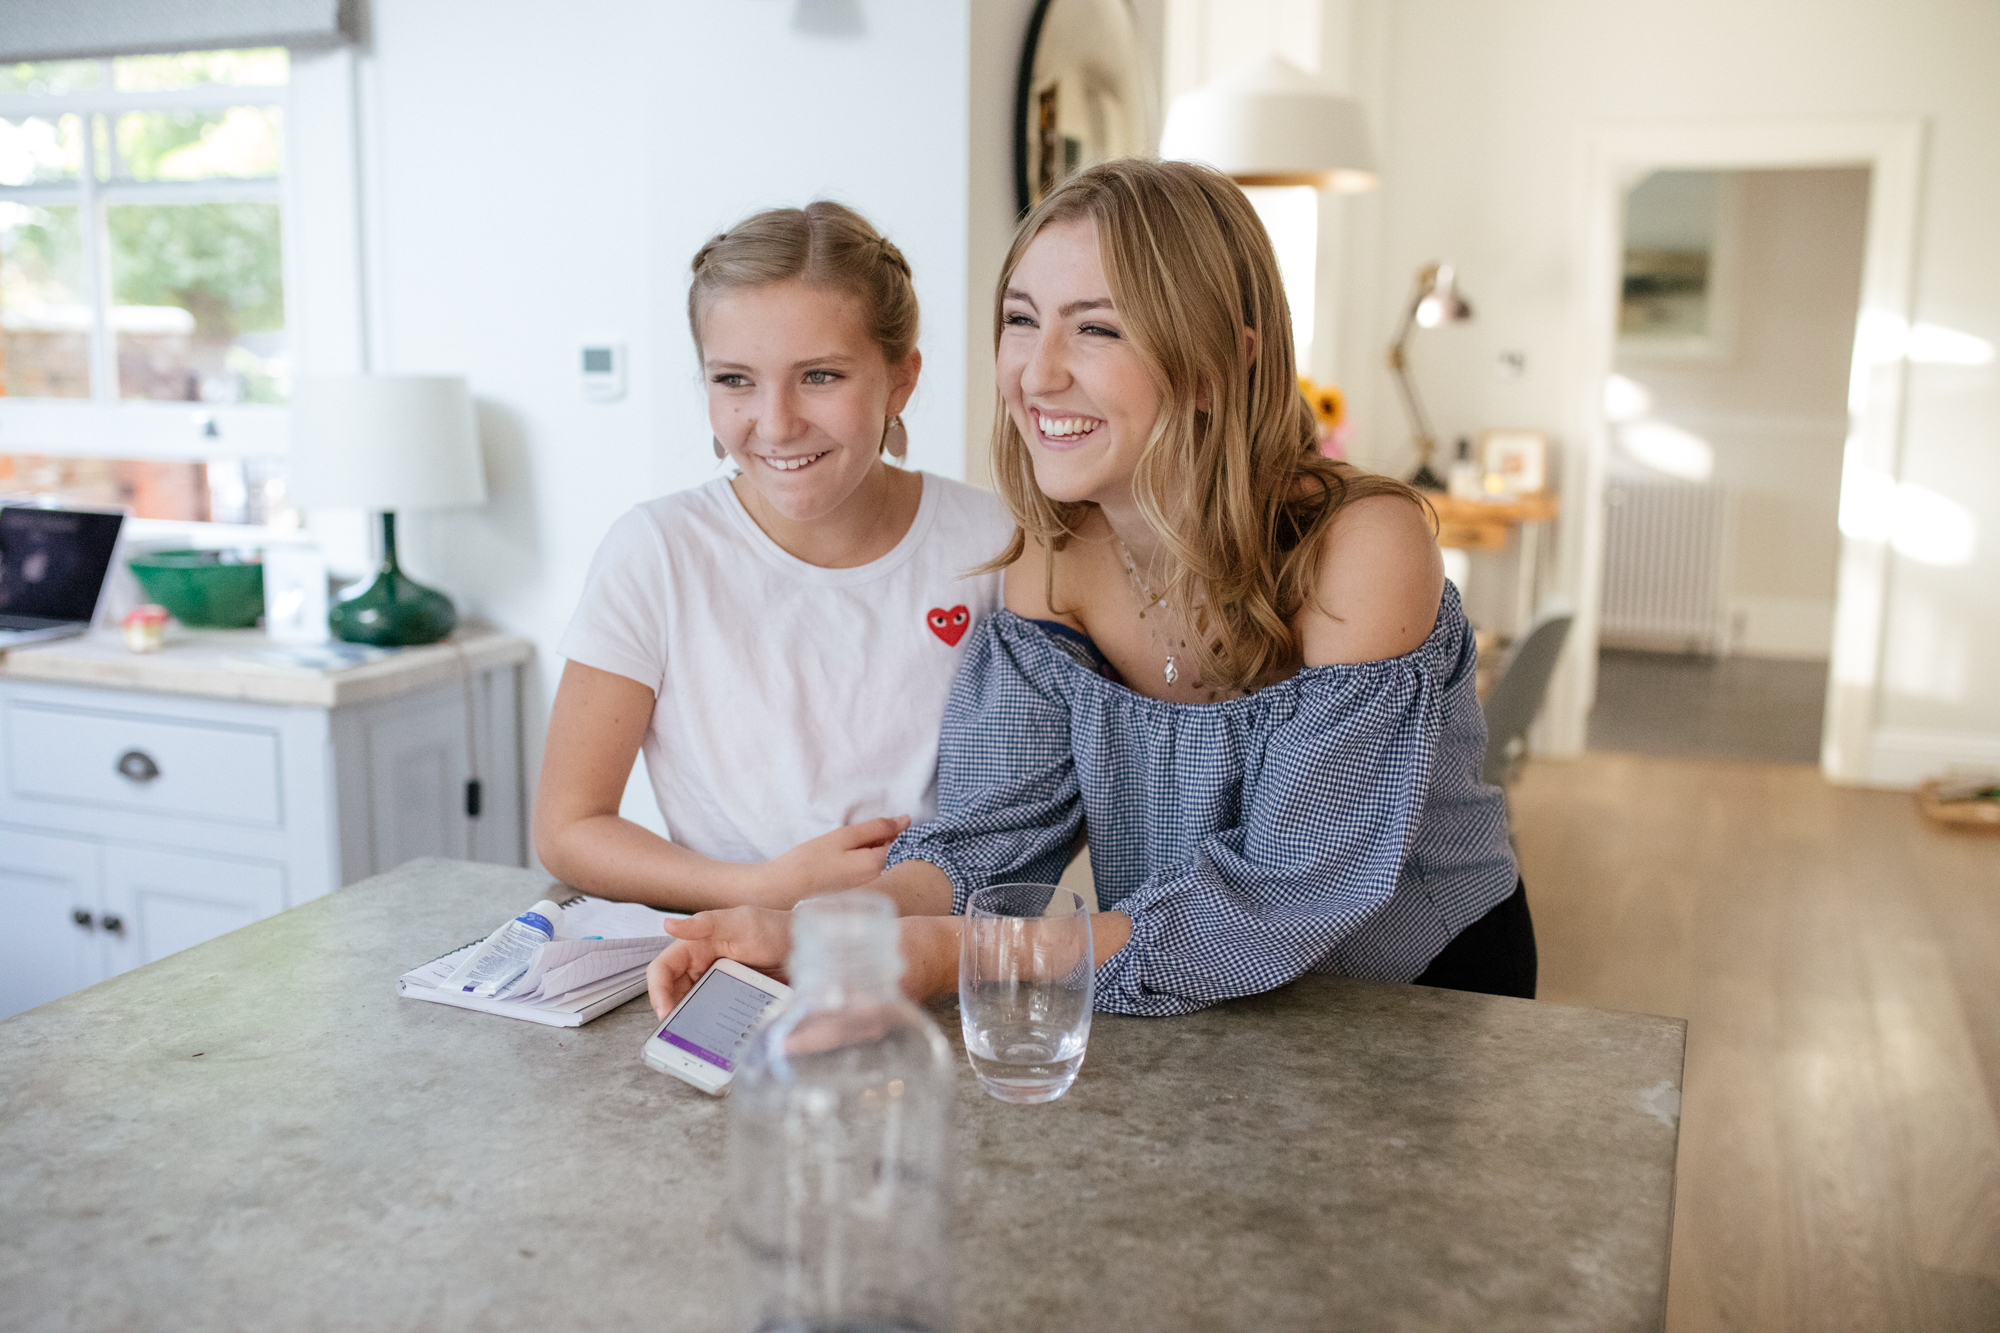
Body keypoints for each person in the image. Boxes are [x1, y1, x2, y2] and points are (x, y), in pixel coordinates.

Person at [647, 160, 1530, 1017]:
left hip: (1413, 993)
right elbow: (992, 833)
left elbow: (1284, 890)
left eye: (1097, 329)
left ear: (1220, 364)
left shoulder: (1363, 546)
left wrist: (957, 953)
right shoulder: (1054, 552)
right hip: (1191, 1000)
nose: (1037, 373)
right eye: (1021, 319)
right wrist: (820, 929)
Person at [536, 201, 1014, 911]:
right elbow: (569, 827)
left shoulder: (995, 542)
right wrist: (759, 890)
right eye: (735, 380)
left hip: (935, 948)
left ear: (900, 380)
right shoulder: (656, 553)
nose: (778, 424)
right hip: (729, 948)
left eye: (819, 376)